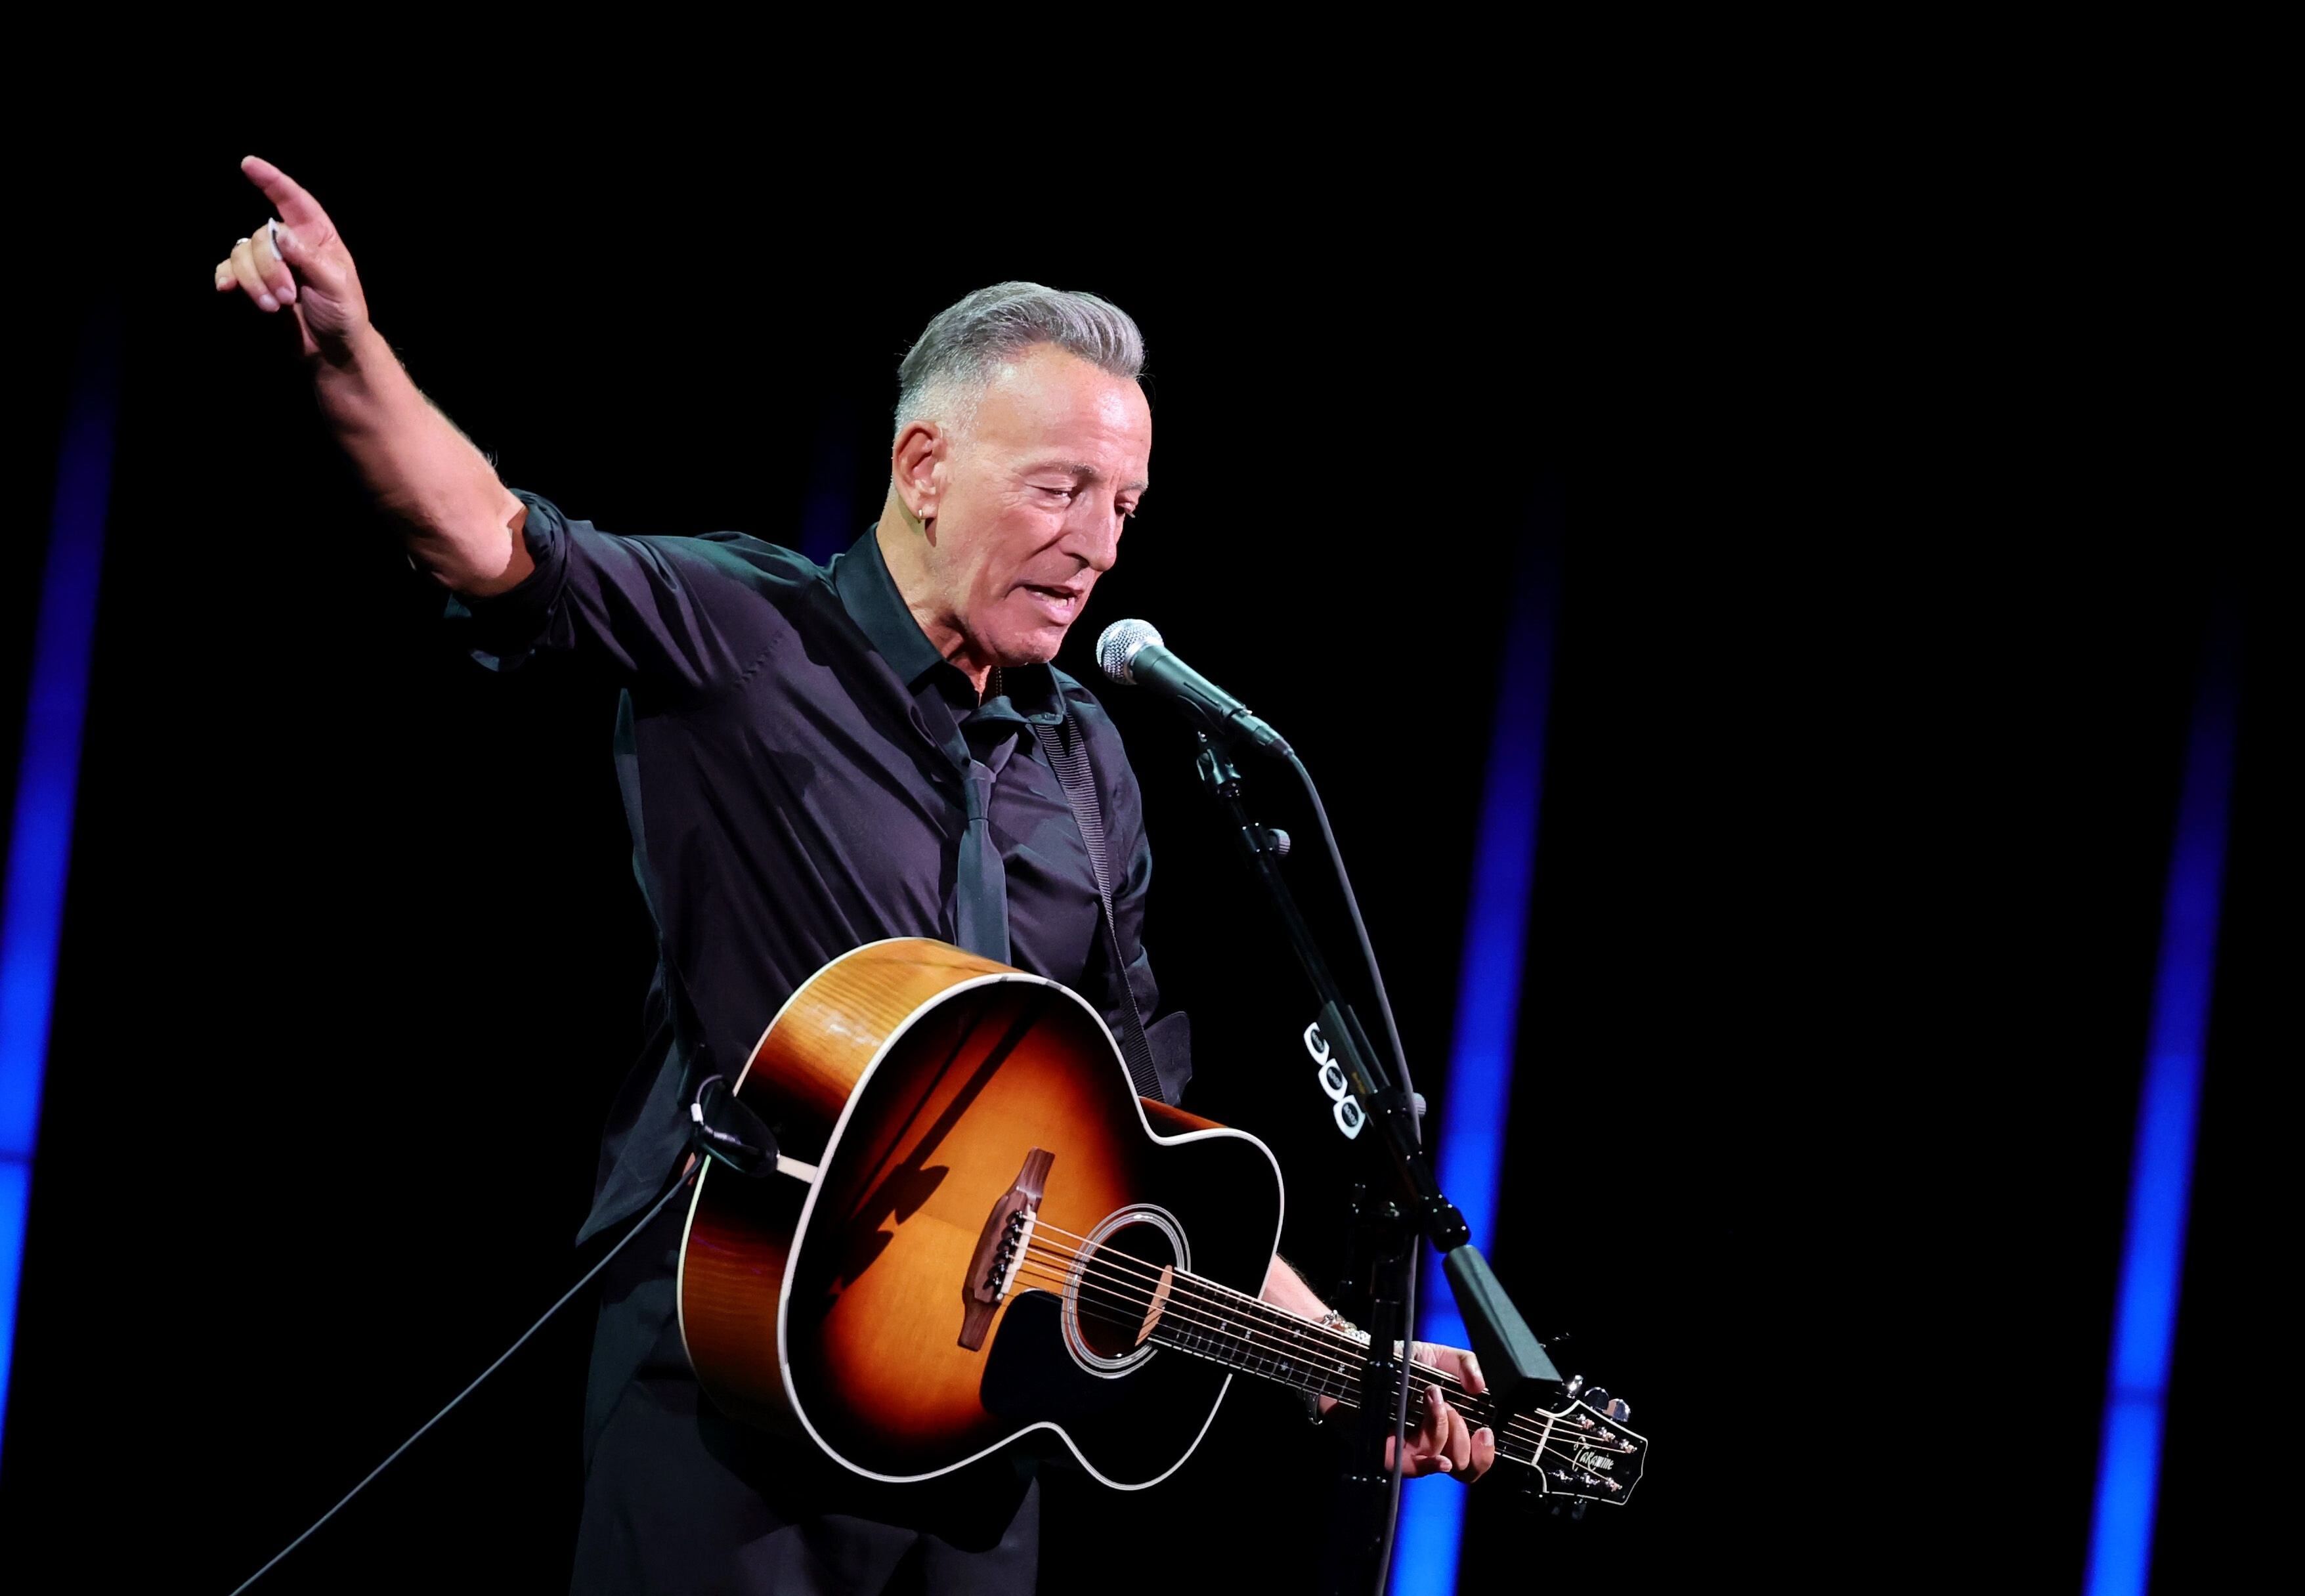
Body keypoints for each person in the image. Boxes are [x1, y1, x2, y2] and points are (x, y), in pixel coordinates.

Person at [211, 154, 1496, 1595]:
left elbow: (1145, 1133)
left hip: (971, 1442)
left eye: (1125, 504)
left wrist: (1329, 1347)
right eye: (1061, 486)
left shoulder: (1095, 764)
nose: (1097, 545)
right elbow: (488, 538)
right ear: (925, 466)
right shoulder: (745, 635)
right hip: (729, 1383)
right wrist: (351, 354)